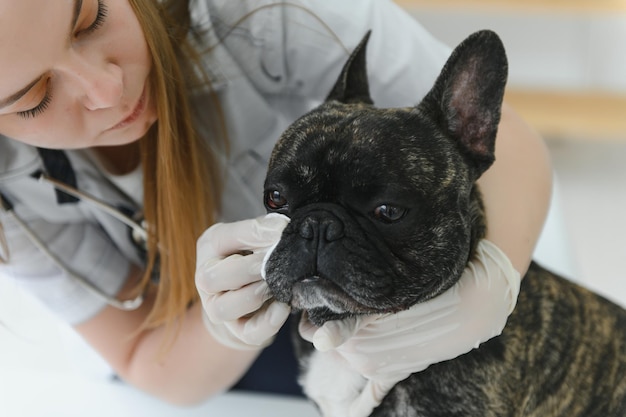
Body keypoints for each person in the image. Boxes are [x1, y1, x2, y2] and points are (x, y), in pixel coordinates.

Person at [0, 0, 552, 415]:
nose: (107, 87)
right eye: (34, 96)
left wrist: (494, 280)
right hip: (207, 349)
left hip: (413, 282)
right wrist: (228, 327)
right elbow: (149, 362)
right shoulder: (11, 185)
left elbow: (508, 149)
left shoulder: (257, 12)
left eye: (91, 18)